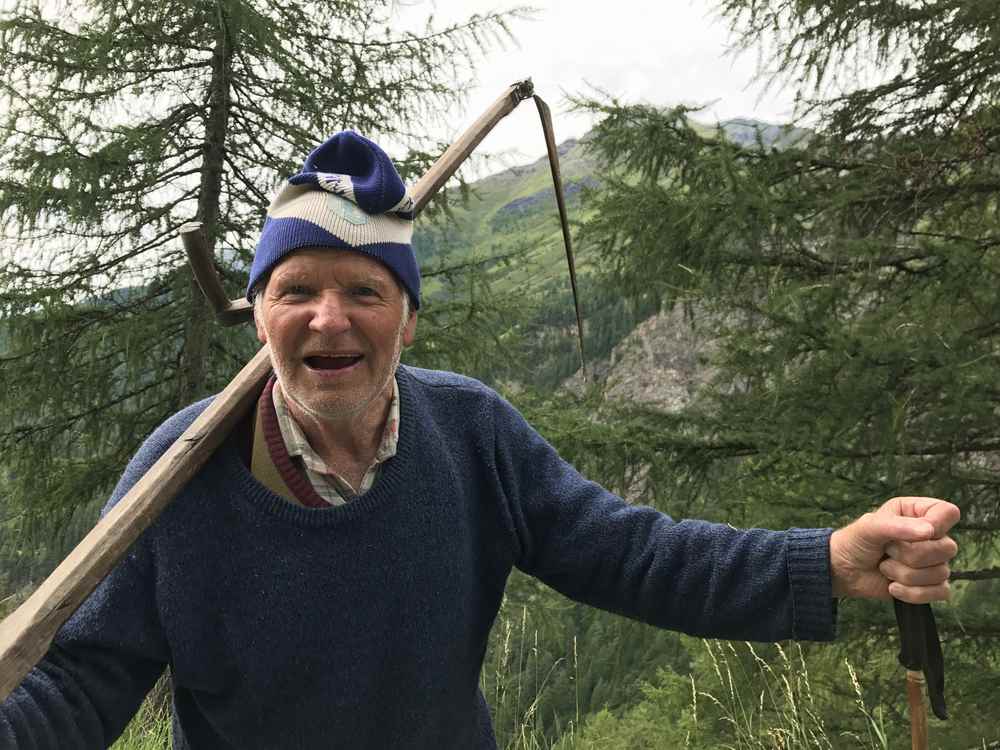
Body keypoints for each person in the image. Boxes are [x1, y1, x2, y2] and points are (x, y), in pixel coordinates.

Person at [0, 132, 960, 749]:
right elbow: (86, 678)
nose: (329, 320)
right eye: (297, 291)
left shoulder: (471, 433)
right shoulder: (183, 472)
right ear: (260, 316)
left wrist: (824, 561)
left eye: (364, 292)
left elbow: (634, 555)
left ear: (407, 319)